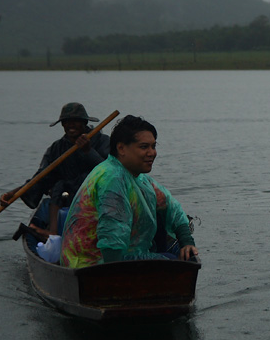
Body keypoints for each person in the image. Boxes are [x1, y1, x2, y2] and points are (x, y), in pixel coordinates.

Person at [60, 115, 199, 268]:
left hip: (122, 256)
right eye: (144, 147)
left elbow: (172, 208)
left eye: (153, 146)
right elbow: (112, 238)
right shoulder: (112, 178)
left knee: (181, 253)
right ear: (121, 148)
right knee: (173, 262)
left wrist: (187, 242)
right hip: (93, 265)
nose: (152, 153)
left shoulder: (138, 178)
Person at [1, 102, 110, 235]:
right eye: (66, 122)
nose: (70, 125)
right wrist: (13, 193)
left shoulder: (103, 142)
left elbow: (109, 173)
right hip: (68, 198)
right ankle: (54, 234)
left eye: (75, 121)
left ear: (84, 122)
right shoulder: (56, 148)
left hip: (97, 197)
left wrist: (88, 151)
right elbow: (41, 177)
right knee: (58, 186)